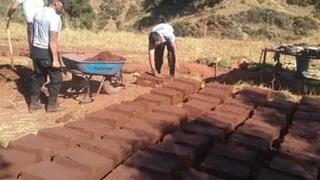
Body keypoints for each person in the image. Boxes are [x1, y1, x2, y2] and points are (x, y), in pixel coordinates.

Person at [29, 0, 66, 113]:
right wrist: (55, 59)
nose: (63, 5)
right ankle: (52, 105)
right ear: (55, 2)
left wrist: (32, 51)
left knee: (38, 76)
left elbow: (32, 34)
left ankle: (33, 103)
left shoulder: (37, 13)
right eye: (62, 3)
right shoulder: (54, 18)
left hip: (36, 49)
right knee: (56, 78)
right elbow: (53, 40)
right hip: (46, 51)